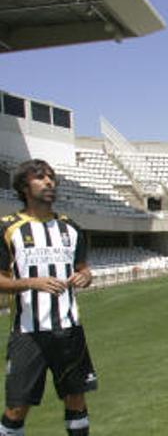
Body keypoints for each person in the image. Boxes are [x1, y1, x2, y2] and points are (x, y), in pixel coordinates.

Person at [0, 160, 97, 435]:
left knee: (76, 398)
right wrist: (31, 282)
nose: (48, 182)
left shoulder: (71, 228)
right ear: (23, 186)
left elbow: (82, 269)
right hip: (28, 333)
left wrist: (86, 277)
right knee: (17, 407)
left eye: (51, 178)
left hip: (69, 331)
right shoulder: (7, 228)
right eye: (40, 178)